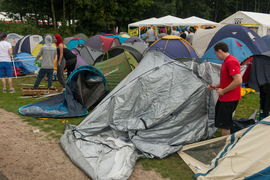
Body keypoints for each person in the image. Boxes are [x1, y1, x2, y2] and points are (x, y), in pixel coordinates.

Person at [208, 42, 242, 136]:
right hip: (224, 98)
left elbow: (238, 80)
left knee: (224, 125)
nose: (216, 56)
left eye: (216, 53)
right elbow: (226, 80)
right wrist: (215, 86)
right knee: (222, 122)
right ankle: (226, 143)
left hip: (229, 98)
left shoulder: (231, 61)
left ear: (220, 51)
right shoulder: (226, 62)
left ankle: (225, 147)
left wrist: (223, 91)